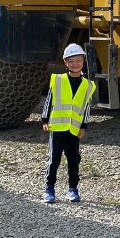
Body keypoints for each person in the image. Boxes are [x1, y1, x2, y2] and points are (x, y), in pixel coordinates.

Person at [40, 43, 96, 203]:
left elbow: (86, 108)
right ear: (65, 63)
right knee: (54, 159)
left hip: (74, 129)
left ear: (83, 61)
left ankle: (73, 189)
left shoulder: (88, 85)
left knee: (74, 159)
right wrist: (45, 119)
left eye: (78, 60)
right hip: (57, 128)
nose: (75, 64)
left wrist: (84, 126)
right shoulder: (57, 80)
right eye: (71, 61)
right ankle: (49, 189)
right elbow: (49, 101)